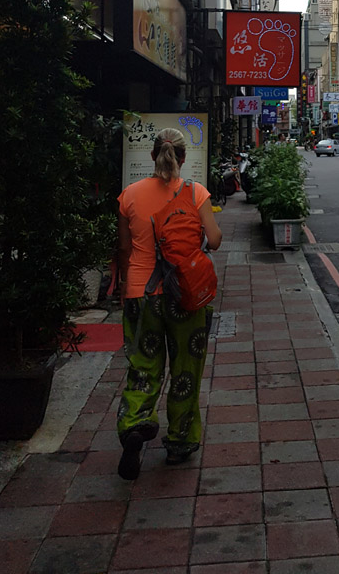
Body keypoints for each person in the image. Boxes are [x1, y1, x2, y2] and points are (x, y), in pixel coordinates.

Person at [116, 127, 222, 479]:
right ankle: (179, 442)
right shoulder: (195, 192)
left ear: (152, 155)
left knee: (143, 365)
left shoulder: (129, 195)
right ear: (183, 157)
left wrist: (123, 286)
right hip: (185, 296)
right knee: (185, 370)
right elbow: (215, 240)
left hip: (140, 293)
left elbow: (124, 249)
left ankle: (135, 424)